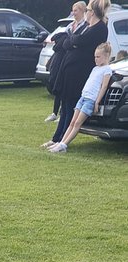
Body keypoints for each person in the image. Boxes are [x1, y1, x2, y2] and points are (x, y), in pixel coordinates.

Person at [46, 0, 110, 147]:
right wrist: (73, 41)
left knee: (70, 108)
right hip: (70, 71)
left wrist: (73, 41)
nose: (85, 13)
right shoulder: (87, 27)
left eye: (87, 10)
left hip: (79, 74)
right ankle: (56, 138)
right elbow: (69, 41)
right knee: (65, 105)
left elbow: (77, 40)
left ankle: (62, 141)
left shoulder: (99, 28)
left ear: (92, 12)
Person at [48, 41, 112, 150]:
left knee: (78, 123)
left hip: (90, 100)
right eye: (95, 57)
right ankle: (61, 142)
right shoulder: (95, 68)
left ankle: (64, 144)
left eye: (98, 57)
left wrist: (97, 101)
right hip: (83, 97)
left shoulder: (107, 70)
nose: (95, 59)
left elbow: (104, 87)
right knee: (72, 121)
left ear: (106, 56)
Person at [45, 2, 87, 122]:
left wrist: (70, 43)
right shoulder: (69, 26)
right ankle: (56, 112)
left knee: (70, 90)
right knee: (60, 85)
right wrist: (70, 43)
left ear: (83, 11)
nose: (73, 13)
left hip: (76, 62)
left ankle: (65, 113)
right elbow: (66, 43)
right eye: (72, 10)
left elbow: (75, 43)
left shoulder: (84, 26)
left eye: (76, 10)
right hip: (64, 59)